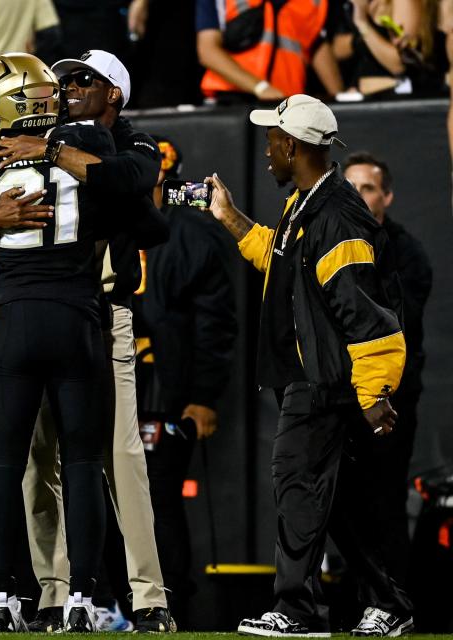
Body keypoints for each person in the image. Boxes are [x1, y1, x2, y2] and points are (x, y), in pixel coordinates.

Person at [0, 51, 150, 633]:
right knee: (83, 463)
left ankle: (5, 596)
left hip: (15, 319)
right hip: (80, 318)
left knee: (4, 464)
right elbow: (132, 191)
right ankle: (84, 596)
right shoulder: (94, 146)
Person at [204, 94, 413, 637]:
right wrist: (230, 219)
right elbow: (284, 259)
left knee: (296, 483)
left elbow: (369, 317)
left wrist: (374, 393)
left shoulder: (337, 216)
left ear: (292, 146)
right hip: (315, 377)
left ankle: (297, 611)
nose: (267, 149)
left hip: (325, 381)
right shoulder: (309, 203)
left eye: (272, 139)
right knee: (333, 501)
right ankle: (389, 605)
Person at [133, 135, 237, 625]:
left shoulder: (194, 233)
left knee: (158, 495)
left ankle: (168, 605)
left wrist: (202, 397)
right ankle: (114, 602)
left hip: (167, 390)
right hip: (113, 381)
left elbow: (215, 322)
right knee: (103, 491)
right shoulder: (106, 223)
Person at [343, 151, 432, 587]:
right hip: (340, 397)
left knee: (385, 502)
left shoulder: (407, 253)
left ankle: (394, 605)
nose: (358, 196)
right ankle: (352, 605)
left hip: (389, 401)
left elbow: (397, 321)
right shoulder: (329, 243)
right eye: (351, 187)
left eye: (369, 187)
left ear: (388, 196)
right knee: (341, 506)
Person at [195, 0, 343, 101]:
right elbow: (208, 50)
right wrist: (261, 88)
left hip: (288, 104)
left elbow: (317, 46)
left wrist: (340, 97)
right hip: (233, 100)